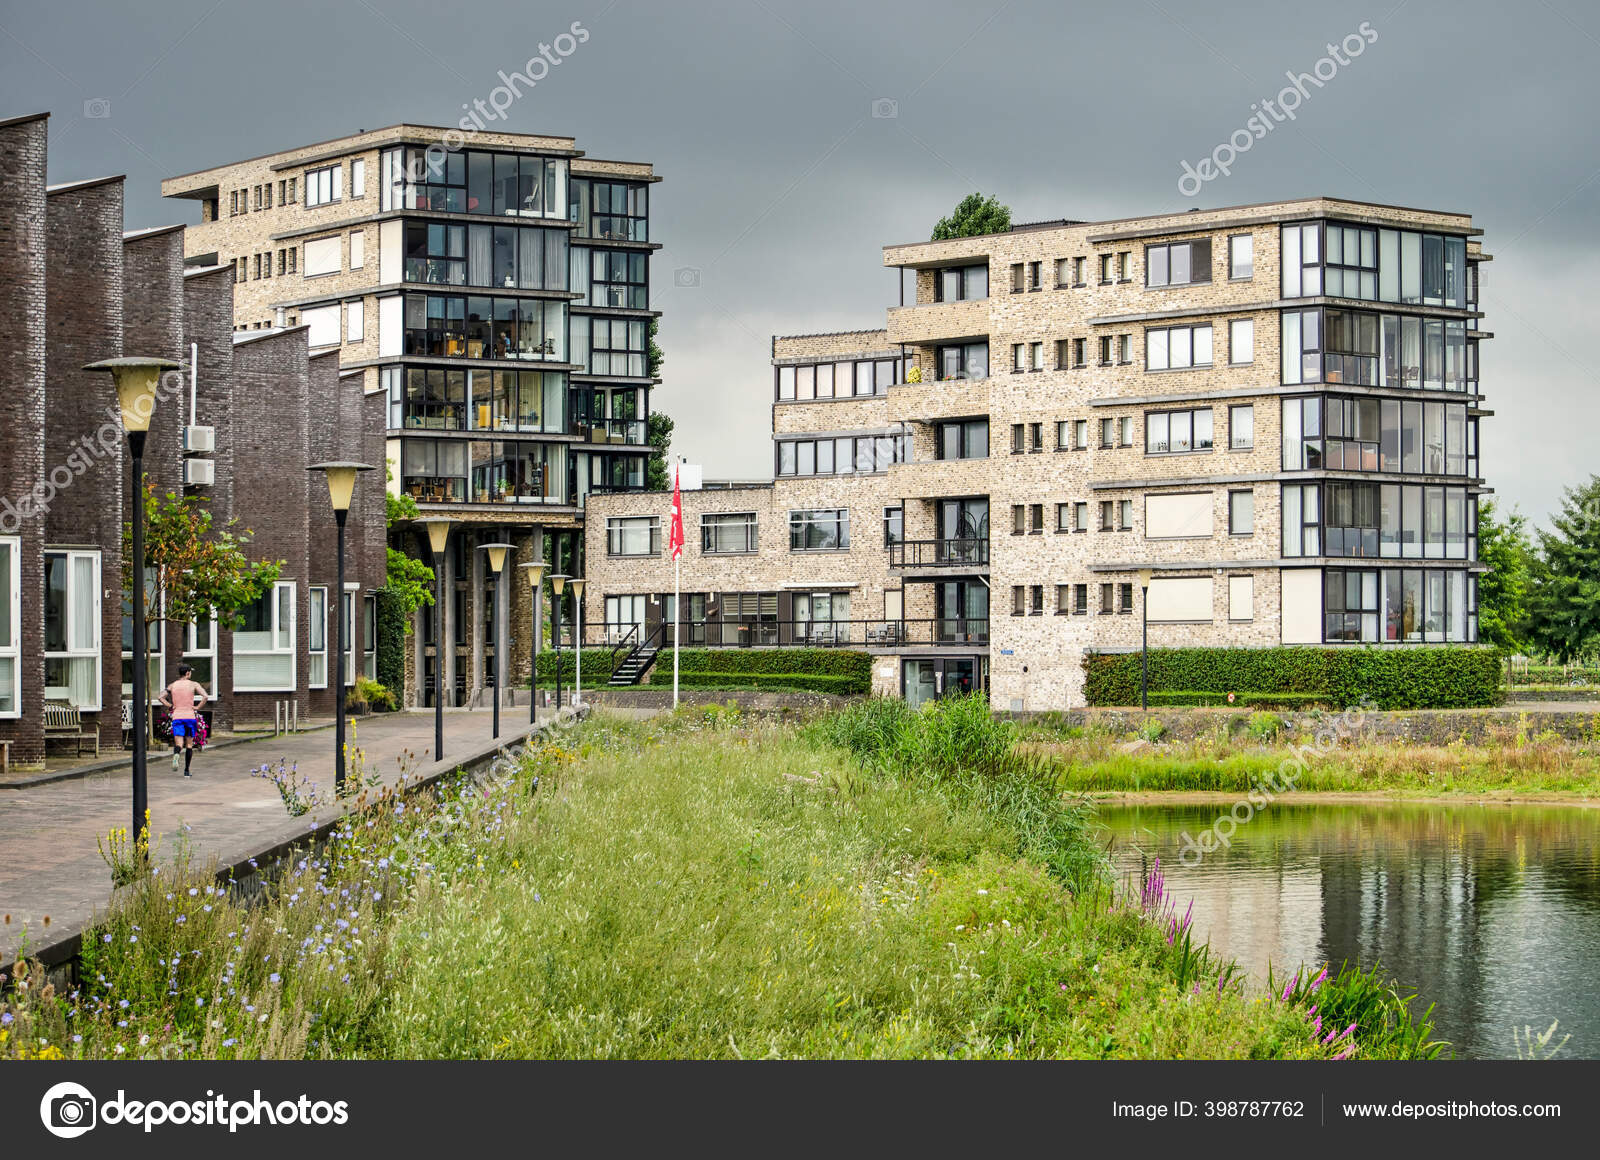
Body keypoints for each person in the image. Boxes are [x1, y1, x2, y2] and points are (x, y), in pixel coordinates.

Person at [160, 664, 209, 778]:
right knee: (189, 744)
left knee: (179, 743)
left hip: (177, 716)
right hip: (189, 717)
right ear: (187, 673)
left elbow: (160, 697)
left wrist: (170, 705)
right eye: (190, 672)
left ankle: (176, 753)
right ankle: (186, 771)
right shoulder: (193, 684)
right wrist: (197, 707)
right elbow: (205, 696)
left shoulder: (173, 685)